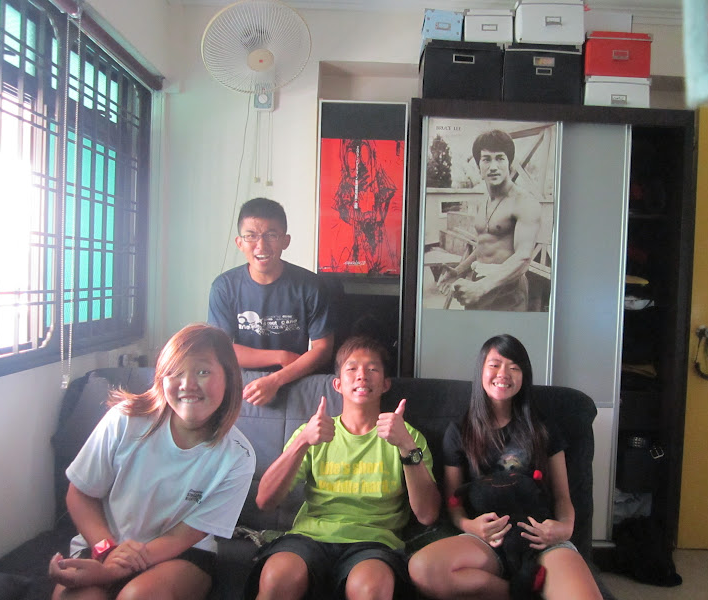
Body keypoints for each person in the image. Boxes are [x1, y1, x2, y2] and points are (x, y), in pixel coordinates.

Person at [48, 323, 256, 600]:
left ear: (229, 379)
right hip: (105, 543)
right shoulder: (125, 419)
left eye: (203, 372)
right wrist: (106, 551)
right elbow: (80, 494)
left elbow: (184, 536)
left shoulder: (238, 456)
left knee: (138, 596)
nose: (187, 384)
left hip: (179, 554)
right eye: (175, 372)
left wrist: (114, 571)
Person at [408, 334, 602, 600]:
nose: (503, 374)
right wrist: (469, 525)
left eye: (514, 367)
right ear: (481, 370)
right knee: (423, 569)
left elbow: (562, 497)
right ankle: (518, 591)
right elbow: (454, 501)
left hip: (540, 538)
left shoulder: (544, 429)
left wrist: (565, 527)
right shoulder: (460, 432)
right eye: (495, 365)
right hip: (487, 541)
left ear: (524, 376)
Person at [249, 336, 441, 600]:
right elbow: (264, 501)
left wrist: (406, 447)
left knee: (371, 589)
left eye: (372, 369)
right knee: (277, 578)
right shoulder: (313, 431)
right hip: (309, 538)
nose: (362, 375)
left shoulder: (407, 436)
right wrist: (303, 441)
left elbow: (428, 515)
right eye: (352, 368)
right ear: (337, 384)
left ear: (385, 384)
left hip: (374, 543)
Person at [208, 197, 334, 405]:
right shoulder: (224, 287)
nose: (261, 245)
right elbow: (220, 349)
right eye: (251, 236)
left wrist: (276, 380)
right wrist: (280, 356)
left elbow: (323, 349)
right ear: (239, 243)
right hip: (244, 386)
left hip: (295, 381)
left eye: (271, 235)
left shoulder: (311, 286)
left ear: (286, 240)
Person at [436, 130, 543, 311]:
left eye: (500, 158)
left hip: (508, 290)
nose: (493, 166)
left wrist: (481, 287)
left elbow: (523, 258)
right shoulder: (483, 201)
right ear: (479, 167)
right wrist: (459, 271)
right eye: (486, 159)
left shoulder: (525, 202)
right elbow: (484, 245)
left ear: (509, 163)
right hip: (479, 282)